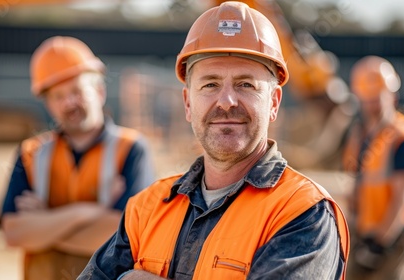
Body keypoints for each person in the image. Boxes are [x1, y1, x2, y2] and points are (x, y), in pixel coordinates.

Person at [78, 2, 349, 279]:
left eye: (246, 84)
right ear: (187, 103)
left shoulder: (302, 213)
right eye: (210, 84)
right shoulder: (146, 209)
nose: (227, 101)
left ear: (274, 103)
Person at [0, 36, 155, 280]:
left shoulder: (132, 149)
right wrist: (87, 212)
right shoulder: (31, 153)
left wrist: (43, 226)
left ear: (100, 91)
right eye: (58, 96)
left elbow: (125, 239)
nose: (69, 102)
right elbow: (14, 233)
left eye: (76, 91)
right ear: (48, 104)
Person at [342, 56, 404, 280]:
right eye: (367, 99)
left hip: (394, 239)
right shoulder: (360, 134)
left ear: (392, 96)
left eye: (376, 98)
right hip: (366, 232)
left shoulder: (402, 138)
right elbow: (358, 181)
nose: (372, 105)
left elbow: (403, 198)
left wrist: (379, 243)